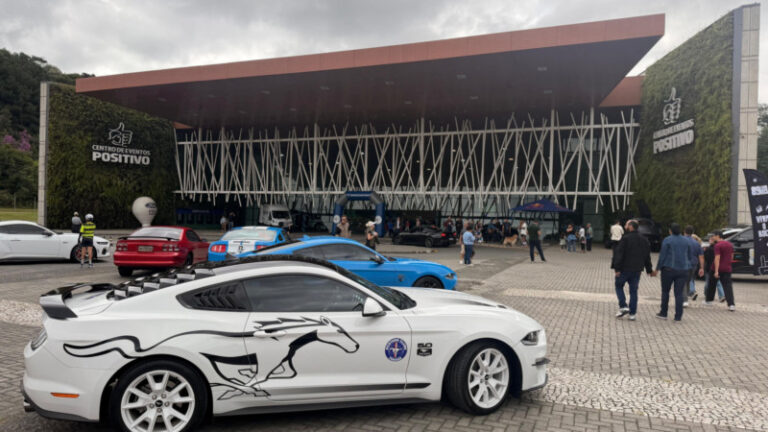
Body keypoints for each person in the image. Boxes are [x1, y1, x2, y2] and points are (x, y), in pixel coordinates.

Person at [611, 220, 654, 320]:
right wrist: (649, 270)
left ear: (630, 227)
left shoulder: (625, 239)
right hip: (637, 270)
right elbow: (647, 256)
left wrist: (617, 268)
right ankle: (632, 314)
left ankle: (623, 306)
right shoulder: (644, 239)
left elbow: (619, 254)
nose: (625, 226)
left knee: (619, 286)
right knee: (633, 291)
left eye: (626, 224)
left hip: (624, 269)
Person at [655, 223, 692, 321]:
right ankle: (678, 316)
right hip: (683, 270)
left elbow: (662, 256)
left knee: (665, 291)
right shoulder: (686, 240)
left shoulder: (667, 240)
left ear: (670, 230)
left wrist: (657, 268)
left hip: (668, 269)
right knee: (679, 293)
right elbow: (689, 255)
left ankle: (663, 313)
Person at [704, 231, 736, 311]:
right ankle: (731, 304)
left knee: (711, 284)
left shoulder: (717, 245)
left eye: (713, 236)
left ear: (718, 236)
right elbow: (732, 257)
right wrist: (728, 264)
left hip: (716, 268)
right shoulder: (730, 244)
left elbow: (717, 258)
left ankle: (709, 300)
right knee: (728, 286)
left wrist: (716, 271)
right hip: (727, 268)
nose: (713, 238)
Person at [683, 226, 705, 306]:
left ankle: (684, 300)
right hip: (693, 265)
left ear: (684, 231)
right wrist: (702, 268)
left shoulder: (682, 240)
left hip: (683, 265)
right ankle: (686, 297)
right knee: (688, 281)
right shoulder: (696, 243)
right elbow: (701, 256)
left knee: (683, 282)